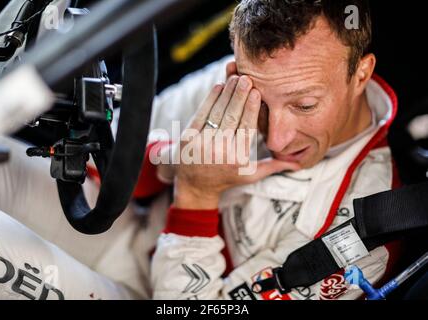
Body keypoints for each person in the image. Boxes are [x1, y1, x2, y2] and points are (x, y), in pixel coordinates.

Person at [146, 0, 403, 300]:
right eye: (260, 102)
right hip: (116, 231)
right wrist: (176, 161)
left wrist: (196, 194)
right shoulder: (253, 74)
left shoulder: (365, 233)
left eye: (304, 105)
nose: (276, 141)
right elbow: (114, 151)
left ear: (361, 75)